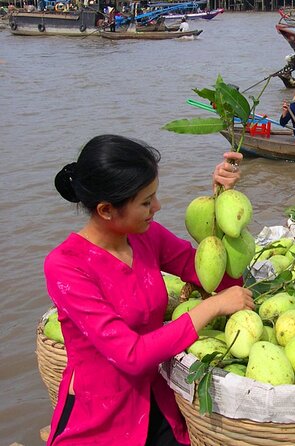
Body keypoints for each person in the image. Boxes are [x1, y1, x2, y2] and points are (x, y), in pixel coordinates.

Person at [44, 135, 254, 445]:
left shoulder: (146, 235)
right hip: (103, 416)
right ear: (106, 210)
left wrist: (222, 204)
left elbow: (219, 281)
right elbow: (131, 355)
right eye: (146, 201)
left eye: (154, 195)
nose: (157, 206)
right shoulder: (66, 266)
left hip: (158, 399)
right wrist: (212, 307)